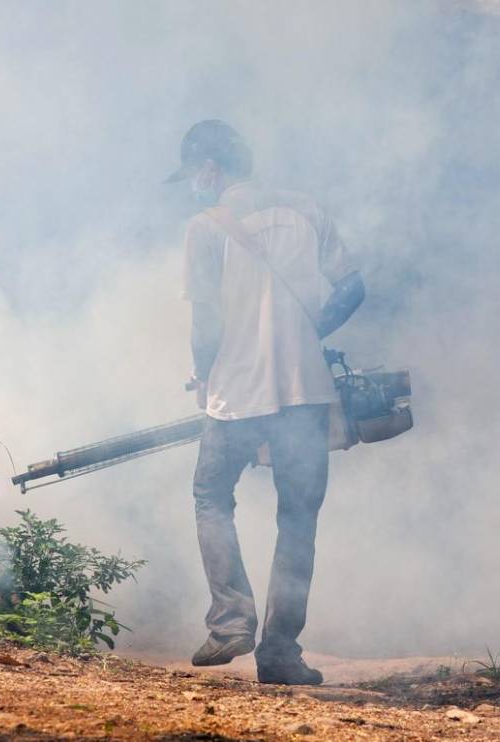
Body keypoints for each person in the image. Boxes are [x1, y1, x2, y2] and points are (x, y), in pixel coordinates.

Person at [166, 120, 365, 685]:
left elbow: (206, 322)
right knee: (298, 518)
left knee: (210, 493)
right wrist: (309, 334)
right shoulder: (308, 210)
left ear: (211, 169)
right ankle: (279, 652)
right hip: (306, 394)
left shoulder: (205, 228)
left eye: (193, 175)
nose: (193, 187)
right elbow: (353, 288)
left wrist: (203, 375)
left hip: (238, 391)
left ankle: (232, 621)